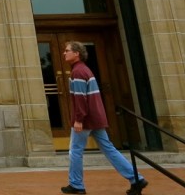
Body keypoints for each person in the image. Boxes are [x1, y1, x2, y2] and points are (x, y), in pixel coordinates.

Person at [62, 41, 148, 195]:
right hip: (96, 118)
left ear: (77, 53)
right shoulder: (85, 70)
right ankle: (137, 178)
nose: (64, 53)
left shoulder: (78, 72)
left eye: (67, 50)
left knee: (75, 150)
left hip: (86, 119)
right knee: (109, 149)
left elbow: (81, 99)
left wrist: (78, 119)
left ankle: (76, 184)